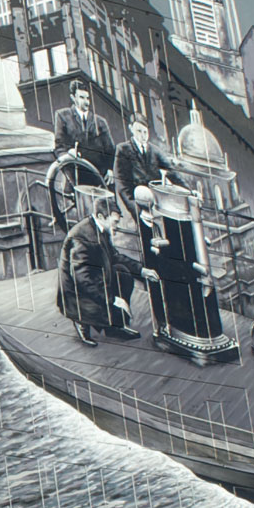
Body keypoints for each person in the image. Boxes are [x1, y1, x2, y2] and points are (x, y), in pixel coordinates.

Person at [135, 185, 231, 361]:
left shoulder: (164, 222)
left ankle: (193, 330)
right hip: (169, 269)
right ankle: (168, 325)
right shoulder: (153, 224)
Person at [57, 193, 140, 347]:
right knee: (93, 304)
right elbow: (82, 278)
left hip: (94, 275)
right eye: (114, 221)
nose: (117, 225)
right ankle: (82, 323)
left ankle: (115, 326)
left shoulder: (100, 229)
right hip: (77, 291)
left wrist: (141, 270)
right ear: (101, 216)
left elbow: (114, 257)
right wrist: (113, 299)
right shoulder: (81, 237)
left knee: (123, 273)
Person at [112, 115, 179, 218]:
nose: (143, 136)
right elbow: (121, 185)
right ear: (131, 129)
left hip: (156, 205)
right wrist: (137, 211)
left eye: (145, 132)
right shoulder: (122, 150)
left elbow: (173, 173)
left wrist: (190, 192)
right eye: (139, 131)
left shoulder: (155, 151)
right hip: (136, 206)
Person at [52, 82, 116, 178]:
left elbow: (110, 150)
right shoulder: (62, 116)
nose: (86, 102)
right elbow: (59, 147)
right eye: (82, 97)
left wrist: (111, 170)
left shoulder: (100, 121)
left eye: (88, 98)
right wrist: (68, 154)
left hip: (99, 176)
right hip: (75, 174)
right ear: (73, 98)